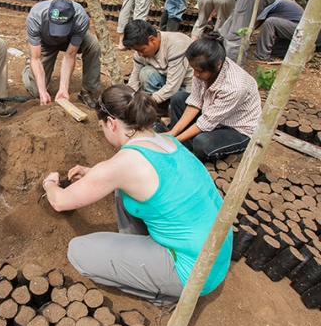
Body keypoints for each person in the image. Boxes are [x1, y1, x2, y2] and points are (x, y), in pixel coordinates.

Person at [41, 85, 232, 306]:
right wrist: (91, 173)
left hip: (192, 273)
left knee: (78, 251)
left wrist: (50, 184)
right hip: (215, 255)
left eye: (102, 125)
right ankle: (144, 255)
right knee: (121, 190)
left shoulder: (126, 163)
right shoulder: (166, 141)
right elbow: (135, 176)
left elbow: (59, 201)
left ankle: (163, 294)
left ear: (111, 123)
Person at [168, 34, 261, 161]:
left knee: (202, 143)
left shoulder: (235, 86)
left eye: (200, 71)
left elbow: (206, 122)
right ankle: (184, 145)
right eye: (193, 69)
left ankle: (193, 148)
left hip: (237, 129)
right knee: (179, 98)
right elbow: (195, 101)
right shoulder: (204, 68)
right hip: (213, 115)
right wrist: (172, 134)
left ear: (217, 65)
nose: (195, 74)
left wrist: (172, 141)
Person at [22, 0, 101, 108]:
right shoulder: (36, 17)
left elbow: (70, 55)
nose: (59, 34)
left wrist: (63, 89)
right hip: (46, 43)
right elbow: (37, 58)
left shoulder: (81, 18)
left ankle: (87, 90)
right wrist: (42, 91)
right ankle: (28, 65)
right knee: (35, 91)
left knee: (93, 43)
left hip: (69, 40)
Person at [123, 19, 193, 112]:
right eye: (136, 50)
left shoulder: (176, 45)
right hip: (167, 80)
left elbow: (172, 86)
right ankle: (161, 107)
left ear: (152, 39)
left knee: (175, 105)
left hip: (187, 86)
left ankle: (163, 106)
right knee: (145, 73)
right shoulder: (140, 52)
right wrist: (129, 99)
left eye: (142, 50)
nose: (139, 54)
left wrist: (147, 102)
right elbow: (134, 78)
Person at [254, 0, 321, 61]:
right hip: (291, 28)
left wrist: (246, 34)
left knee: (270, 22)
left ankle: (261, 56)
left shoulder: (268, 2)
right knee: (274, 49)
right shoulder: (272, 0)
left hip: (302, 29)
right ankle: (305, 53)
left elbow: (257, 23)